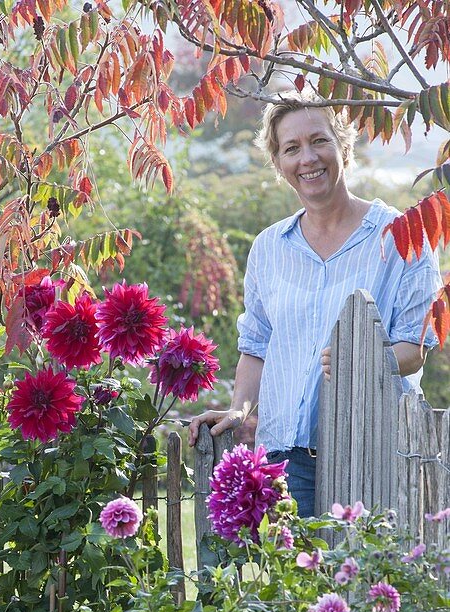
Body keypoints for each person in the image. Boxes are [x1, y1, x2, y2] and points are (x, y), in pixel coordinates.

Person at [188, 94, 442, 517]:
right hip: (285, 459)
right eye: (291, 148)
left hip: (370, 451)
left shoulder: (402, 236)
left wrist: (358, 359)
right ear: (278, 162)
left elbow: (414, 351)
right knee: (295, 582)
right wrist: (240, 409)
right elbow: (256, 348)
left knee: (365, 581)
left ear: (343, 146)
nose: (308, 158)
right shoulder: (269, 248)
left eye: (319, 141)